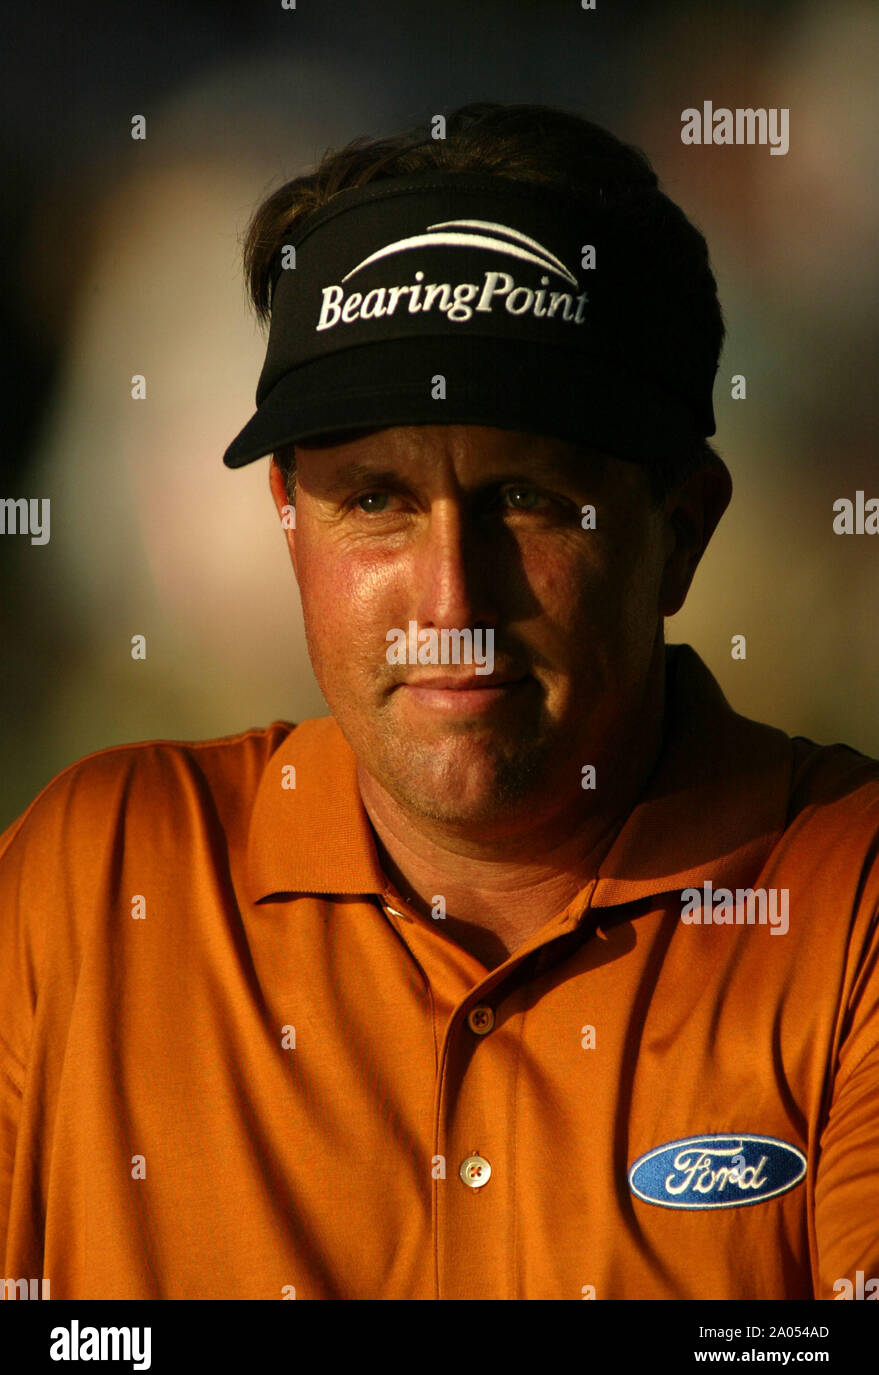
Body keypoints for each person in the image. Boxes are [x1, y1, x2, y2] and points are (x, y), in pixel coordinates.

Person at [1, 102, 877, 1303]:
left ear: (681, 531)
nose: (451, 596)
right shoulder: (93, 883)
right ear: (286, 518)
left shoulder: (850, 907)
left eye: (524, 497)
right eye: (375, 500)